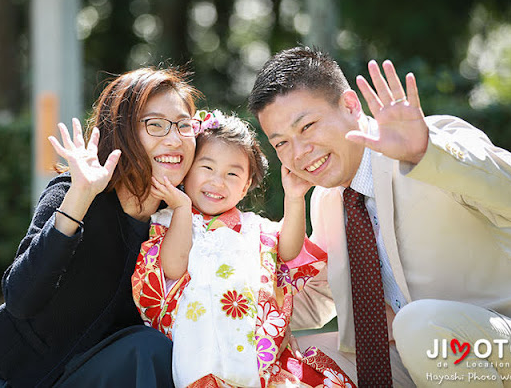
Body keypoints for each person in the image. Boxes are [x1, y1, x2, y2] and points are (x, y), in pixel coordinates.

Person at [248, 46, 511, 387]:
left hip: (510, 346)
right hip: (413, 359)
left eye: (307, 126)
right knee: (267, 358)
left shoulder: (431, 146)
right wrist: (210, 298)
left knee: (418, 325)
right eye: (281, 143)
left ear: (351, 106)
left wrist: (427, 153)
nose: (298, 153)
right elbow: (318, 298)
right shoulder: (326, 200)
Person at [0, 67, 202, 387]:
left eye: (184, 125)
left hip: (121, 372)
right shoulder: (74, 192)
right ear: (122, 132)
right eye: (156, 125)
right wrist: (79, 198)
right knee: (149, 349)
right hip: (42, 378)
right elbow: (20, 299)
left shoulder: (184, 213)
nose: (174, 139)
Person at [132, 110, 356, 388]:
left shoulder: (254, 228)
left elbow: (287, 250)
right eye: (207, 168)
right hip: (197, 354)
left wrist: (295, 198)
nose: (217, 181)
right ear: (187, 171)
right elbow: (173, 268)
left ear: (246, 185)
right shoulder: (171, 220)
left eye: (232, 173)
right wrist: (181, 208)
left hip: (256, 355)